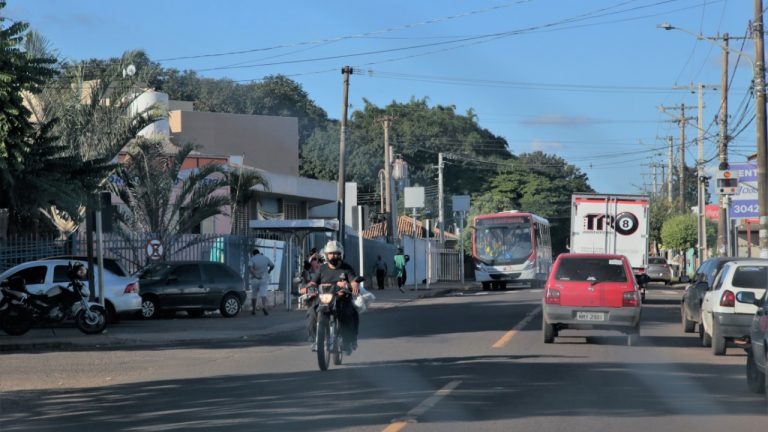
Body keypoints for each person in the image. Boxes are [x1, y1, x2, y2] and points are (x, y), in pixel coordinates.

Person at [306, 240, 360, 354]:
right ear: (326, 255)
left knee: (349, 313)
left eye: (336, 253)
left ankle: (348, 341)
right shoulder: (322, 269)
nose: (333, 256)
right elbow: (313, 282)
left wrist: (353, 284)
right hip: (323, 298)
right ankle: (315, 340)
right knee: (311, 312)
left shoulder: (346, 268)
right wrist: (308, 287)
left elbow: (353, 279)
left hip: (341, 298)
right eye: (330, 253)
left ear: (341, 254)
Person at [248, 248, 274, 316]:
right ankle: (264, 307)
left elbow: (250, 268)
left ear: (253, 254)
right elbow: (272, 265)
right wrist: (269, 271)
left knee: (254, 294)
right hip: (264, 278)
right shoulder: (265, 258)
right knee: (263, 294)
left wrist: (255, 275)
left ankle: (253, 310)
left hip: (255, 279)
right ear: (259, 253)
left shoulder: (252, 259)